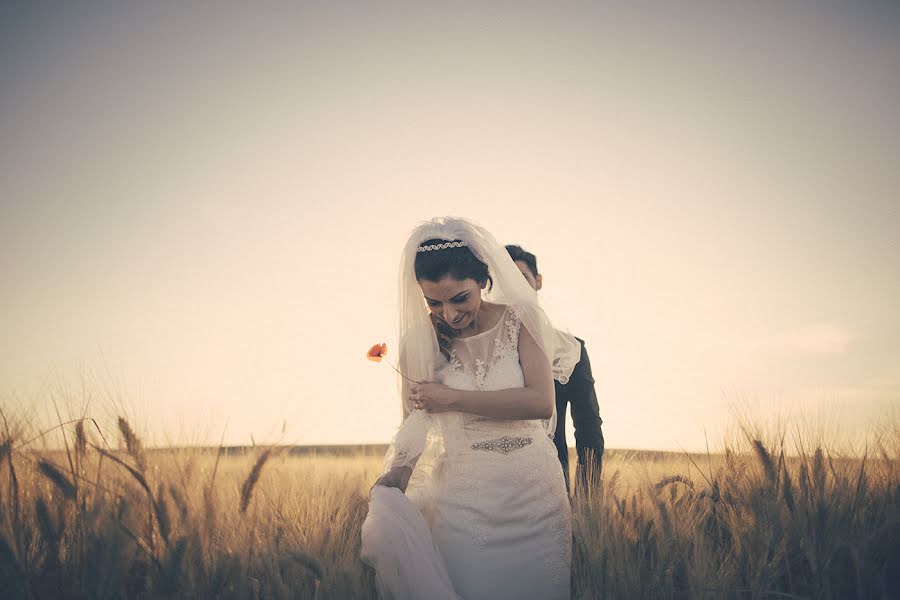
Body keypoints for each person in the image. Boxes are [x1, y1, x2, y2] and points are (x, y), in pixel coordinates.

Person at [360, 217, 582, 600]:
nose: (448, 313)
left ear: (483, 279)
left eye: (459, 297)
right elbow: (413, 420)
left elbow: (541, 401)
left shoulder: (522, 320)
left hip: (535, 494)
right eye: (434, 302)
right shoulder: (419, 339)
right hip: (465, 502)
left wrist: (451, 399)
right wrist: (398, 474)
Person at [505, 244, 605, 493]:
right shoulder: (479, 347)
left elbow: (588, 428)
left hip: (551, 485)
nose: (514, 289)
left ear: (538, 281)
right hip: (490, 484)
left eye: (522, 279)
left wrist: (586, 501)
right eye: (505, 281)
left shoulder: (570, 349)